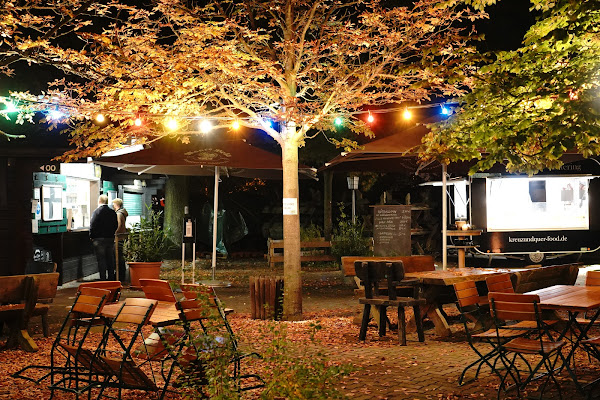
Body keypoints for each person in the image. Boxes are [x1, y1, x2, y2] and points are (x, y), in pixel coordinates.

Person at [90, 195, 118, 280]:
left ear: (99, 201)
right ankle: (111, 277)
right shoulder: (112, 212)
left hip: (99, 239)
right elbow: (116, 225)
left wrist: (92, 235)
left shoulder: (97, 212)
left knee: (101, 260)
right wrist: (112, 233)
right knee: (110, 259)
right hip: (110, 238)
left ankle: (103, 278)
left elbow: (92, 225)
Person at [112, 198, 128, 283]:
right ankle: (122, 275)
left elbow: (119, 225)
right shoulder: (123, 213)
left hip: (118, 238)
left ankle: (119, 276)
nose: (113, 206)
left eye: (113, 204)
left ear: (116, 204)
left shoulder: (118, 214)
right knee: (121, 257)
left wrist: (115, 233)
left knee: (118, 258)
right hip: (123, 237)